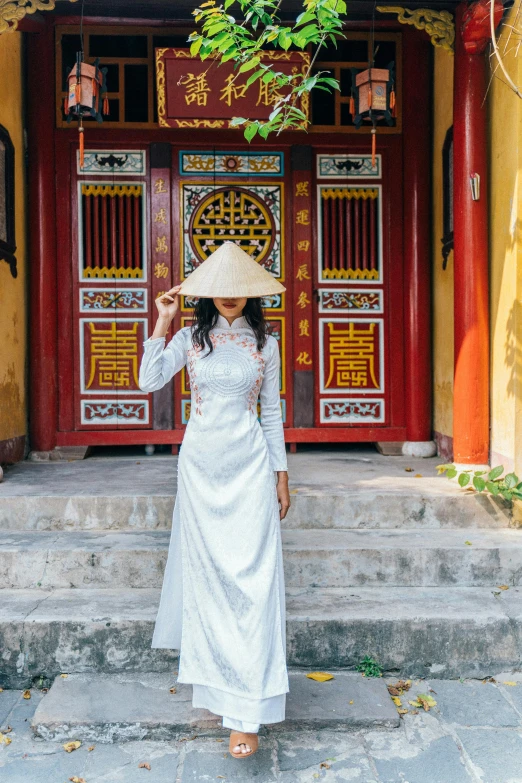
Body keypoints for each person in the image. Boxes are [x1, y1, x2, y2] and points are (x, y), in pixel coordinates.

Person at [138, 241, 291, 759]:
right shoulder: (189, 338)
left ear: (251, 292)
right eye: (219, 289)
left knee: (253, 579)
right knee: (210, 582)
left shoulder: (265, 345)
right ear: (207, 293)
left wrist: (281, 474)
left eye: (238, 288)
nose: (229, 298)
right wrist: (161, 321)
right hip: (201, 469)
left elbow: (271, 413)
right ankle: (219, 689)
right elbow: (148, 380)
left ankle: (248, 709)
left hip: (249, 468)